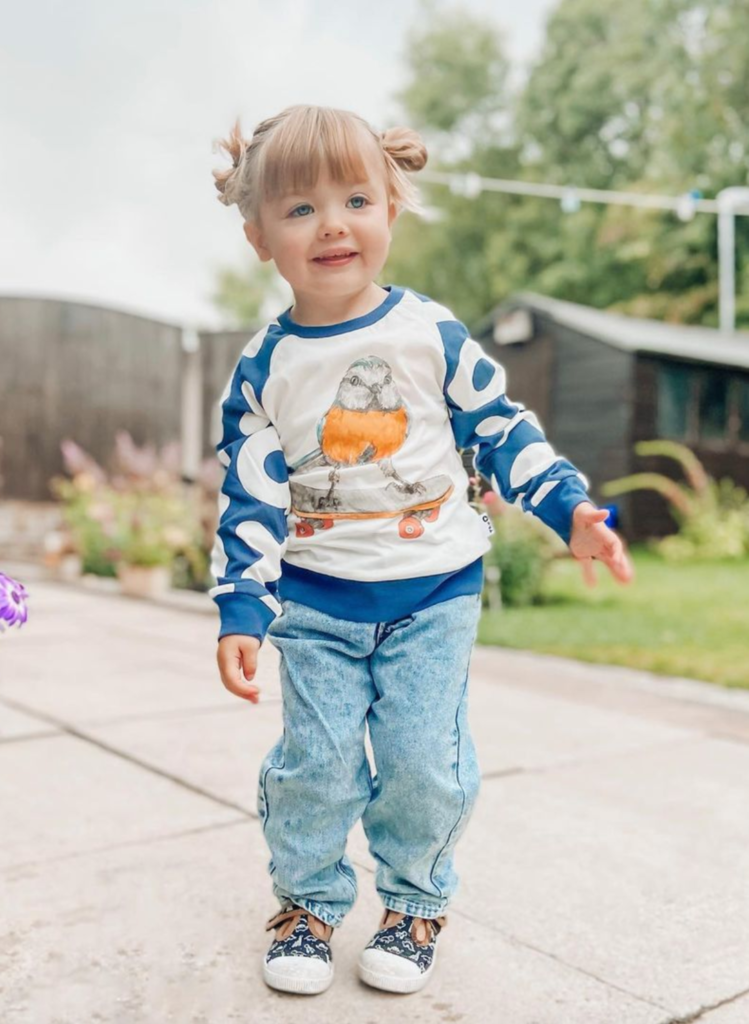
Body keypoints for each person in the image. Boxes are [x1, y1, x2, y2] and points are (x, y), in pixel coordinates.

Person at [208, 104, 634, 996]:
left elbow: (501, 428)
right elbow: (249, 495)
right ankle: (309, 904)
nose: (332, 223)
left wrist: (568, 507)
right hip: (317, 602)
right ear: (259, 236)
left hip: (432, 591)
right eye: (300, 209)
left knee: (420, 763)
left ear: (390, 211)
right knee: (316, 766)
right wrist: (241, 608)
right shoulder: (262, 368)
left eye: (356, 198)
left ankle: (413, 903)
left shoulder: (428, 335)